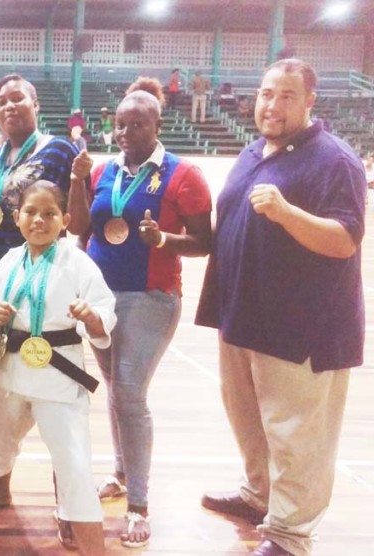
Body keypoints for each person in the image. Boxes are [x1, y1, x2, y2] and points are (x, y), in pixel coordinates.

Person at [196, 58, 366, 556]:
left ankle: (290, 534)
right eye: (267, 93)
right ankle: (259, 495)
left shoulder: (335, 160)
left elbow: (345, 240)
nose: (272, 104)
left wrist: (288, 214)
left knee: (296, 433)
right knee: (248, 419)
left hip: (302, 327)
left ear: (310, 102)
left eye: (287, 95)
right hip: (242, 316)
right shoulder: (253, 151)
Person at [84, 81, 213, 549]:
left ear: (158, 125)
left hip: (150, 297)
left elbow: (205, 242)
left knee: (131, 395)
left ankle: (138, 504)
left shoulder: (184, 175)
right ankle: (120, 474)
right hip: (100, 299)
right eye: (120, 124)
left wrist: (163, 241)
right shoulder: (102, 171)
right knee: (116, 391)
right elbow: (89, 233)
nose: (125, 131)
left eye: (137, 123)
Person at [0, 176, 116, 556]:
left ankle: (93, 547)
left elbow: (103, 309)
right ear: (17, 218)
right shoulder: (11, 260)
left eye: (49, 214)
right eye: (31, 212)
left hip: (57, 374)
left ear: (64, 219)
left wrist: (92, 317)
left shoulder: (77, 261)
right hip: (10, 368)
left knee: (75, 465)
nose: (39, 220)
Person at [0, 73, 92, 292]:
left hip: (37, 271)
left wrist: (78, 182)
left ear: (35, 105)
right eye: (1, 103)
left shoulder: (60, 151)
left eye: (17, 98)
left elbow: (78, 226)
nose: (9, 106)